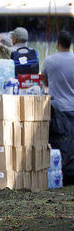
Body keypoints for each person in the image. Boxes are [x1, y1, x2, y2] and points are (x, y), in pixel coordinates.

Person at [42, 30, 74, 186]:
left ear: (58, 43)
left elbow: (45, 82)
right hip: (73, 107)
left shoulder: (50, 61)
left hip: (58, 109)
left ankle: (62, 173)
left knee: (60, 144)